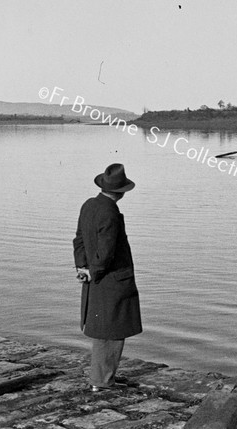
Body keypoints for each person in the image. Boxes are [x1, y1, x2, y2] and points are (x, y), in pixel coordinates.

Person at [73, 163, 142, 392]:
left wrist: (82, 267)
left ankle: (102, 378)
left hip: (95, 278)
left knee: (102, 329)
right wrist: (96, 270)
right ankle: (102, 382)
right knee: (113, 332)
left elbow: (79, 239)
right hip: (112, 280)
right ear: (121, 192)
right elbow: (108, 249)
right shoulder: (110, 211)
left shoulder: (89, 205)